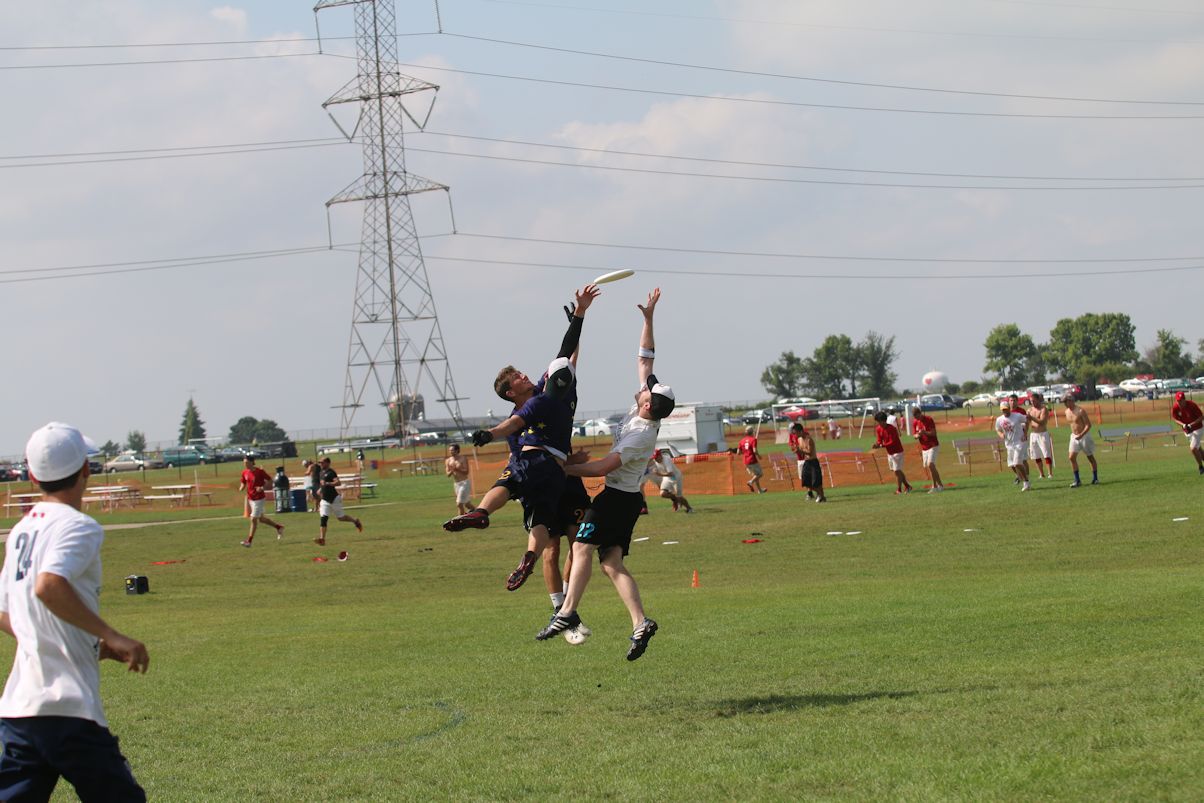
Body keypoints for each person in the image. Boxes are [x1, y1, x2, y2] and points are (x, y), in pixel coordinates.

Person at [0, 422, 149, 801]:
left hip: (21, 711)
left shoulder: (21, 531)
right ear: (86, 469)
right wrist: (113, 636)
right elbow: (49, 586)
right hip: (68, 709)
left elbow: (6, 611)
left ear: (32, 476)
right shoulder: (79, 526)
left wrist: (87, 644)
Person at [536, 288, 672, 661]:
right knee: (611, 563)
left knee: (581, 547)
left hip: (616, 499)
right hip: (626, 501)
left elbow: (602, 468)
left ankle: (566, 613)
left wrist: (565, 467)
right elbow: (645, 359)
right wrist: (648, 319)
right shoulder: (646, 409)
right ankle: (640, 623)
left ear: (648, 404)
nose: (644, 386)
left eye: (648, 391)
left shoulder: (640, 435)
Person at [442, 285, 600, 596]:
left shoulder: (541, 398)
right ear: (510, 392)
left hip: (546, 467)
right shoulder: (547, 396)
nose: (524, 375)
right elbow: (566, 359)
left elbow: (565, 361)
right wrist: (578, 319)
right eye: (517, 376)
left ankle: (482, 513)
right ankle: (542, 577)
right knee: (551, 534)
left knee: (511, 480)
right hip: (555, 472)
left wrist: (488, 434)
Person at [315, 457, 363, 545]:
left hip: (334, 499)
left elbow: (338, 483)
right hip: (325, 500)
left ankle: (355, 521)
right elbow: (322, 485)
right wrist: (320, 489)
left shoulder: (331, 472)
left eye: (322, 462)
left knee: (341, 518)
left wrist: (328, 483)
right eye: (320, 463)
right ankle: (322, 539)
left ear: (328, 463)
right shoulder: (321, 472)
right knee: (323, 519)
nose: (320, 464)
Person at [239, 456, 285, 547]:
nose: (245, 464)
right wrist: (241, 487)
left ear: (252, 462)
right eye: (244, 463)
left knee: (253, 519)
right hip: (251, 499)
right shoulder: (244, 472)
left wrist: (262, 488)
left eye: (246, 462)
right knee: (261, 519)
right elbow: (243, 482)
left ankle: (249, 541)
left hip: (259, 499)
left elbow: (270, 480)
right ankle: (279, 527)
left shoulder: (259, 471)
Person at [1062, 395, 1099, 487]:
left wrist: (1081, 434)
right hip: (1074, 437)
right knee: (1071, 457)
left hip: (1084, 436)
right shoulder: (1066, 411)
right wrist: (1076, 435)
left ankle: (1095, 478)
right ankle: (1077, 480)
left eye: (1066, 401)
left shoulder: (1080, 411)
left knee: (1090, 457)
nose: (1065, 404)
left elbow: (1088, 425)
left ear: (1071, 401)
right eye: (1064, 402)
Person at [871, 411, 912, 494]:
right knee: (897, 471)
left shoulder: (892, 429)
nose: (879, 423)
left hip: (897, 451)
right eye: (878, 422)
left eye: (880, 421)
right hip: (890, 453)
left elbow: (892, 442)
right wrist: (876, 444)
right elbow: (879, 440)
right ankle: (907, 486)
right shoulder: (878, 429)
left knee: (897, 471)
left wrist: (881, 445)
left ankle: (899, 490)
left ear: (884, 420)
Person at [995, 401, 1031, 492]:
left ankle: (1026, 482)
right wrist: (1001, 434)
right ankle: (1022, 478)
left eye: (1006, 409)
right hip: (1009, 444)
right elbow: (998, 429)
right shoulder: (999, 419)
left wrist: (1025, 433)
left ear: (1009, 409)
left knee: (1017, 463)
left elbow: (1027, 420)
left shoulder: (1017, 416)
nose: (1005, 411)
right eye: (1003, 410)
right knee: (1012, 465)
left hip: (1019, 442)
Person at [789, 422, 825, 502]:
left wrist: (800, 451)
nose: (795, 435)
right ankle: (821, 495)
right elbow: (801, 450)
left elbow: (810, 452)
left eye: (796, 433)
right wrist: (796, 450)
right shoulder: (799, 439)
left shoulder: (809, 440)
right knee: (805, 481)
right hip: (806, 462)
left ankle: (821, 496)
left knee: (816, 482)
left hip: (813, 462)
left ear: (801, 431)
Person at [911, 408, 945, 493]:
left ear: (920, 413)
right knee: (931, 467)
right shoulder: (915, 422)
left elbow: (933, 433)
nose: (917, 418)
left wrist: (924, 432)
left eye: (917, 416)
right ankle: (940, 485)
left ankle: (934, 486)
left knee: (930, 464)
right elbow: (914, 435)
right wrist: (917, 436)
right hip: (924, 448)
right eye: (915, 417)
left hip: (933, 445)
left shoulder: (929, 419)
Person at [1170, 391, 1204, 474]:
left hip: (1198, 428)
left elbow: (1201, 417)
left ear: (1184, 399)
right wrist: (1183, 425)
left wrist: (1191, 425)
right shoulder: (1175, 407)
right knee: (1198, 448)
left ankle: (1201, 467)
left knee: (1193, 448)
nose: (1179, 402)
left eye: (1181, 400)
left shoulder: (1192, 405)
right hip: (1188, 431)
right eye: (1178, 400)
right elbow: (1175, 419)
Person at [1026, 392, 1054, 479]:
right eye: (1031, 401)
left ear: (1038, 400)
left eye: (1034, 401)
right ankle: (1041, 474)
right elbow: (1027, 423)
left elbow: (1042, 422)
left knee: (1046, 454)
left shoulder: (1043, 409)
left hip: (1042, 434)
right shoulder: (1029, 410)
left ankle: (1050, 473)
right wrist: (1025, 432)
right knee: (1035, 455)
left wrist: (1031, 418)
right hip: (1033, 434)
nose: (1032, 402)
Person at [444, 444, 473, 515]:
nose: (451, 452)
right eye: (450, 450)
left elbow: (466, 472)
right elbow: (448, 474)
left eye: (452, 450)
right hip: (456, 484)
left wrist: (457, 469)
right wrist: (452, 470)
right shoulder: (448, 460)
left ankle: (460, 519)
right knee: (467, 504)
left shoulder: (463, 458)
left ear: (457, 450)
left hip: (464, 483)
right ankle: (477, 512)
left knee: (459, 504)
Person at [737, 426, 767, 494]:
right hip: (752, 460)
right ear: (752, 432)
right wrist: (759, 456)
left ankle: (760, 490)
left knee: (756, 475)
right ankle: (751, 482)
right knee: (760, 474)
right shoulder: (753, 439)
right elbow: (754, 450)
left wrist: (745, 452)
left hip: (746, 461)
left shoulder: (741, 440)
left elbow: (738, 452)